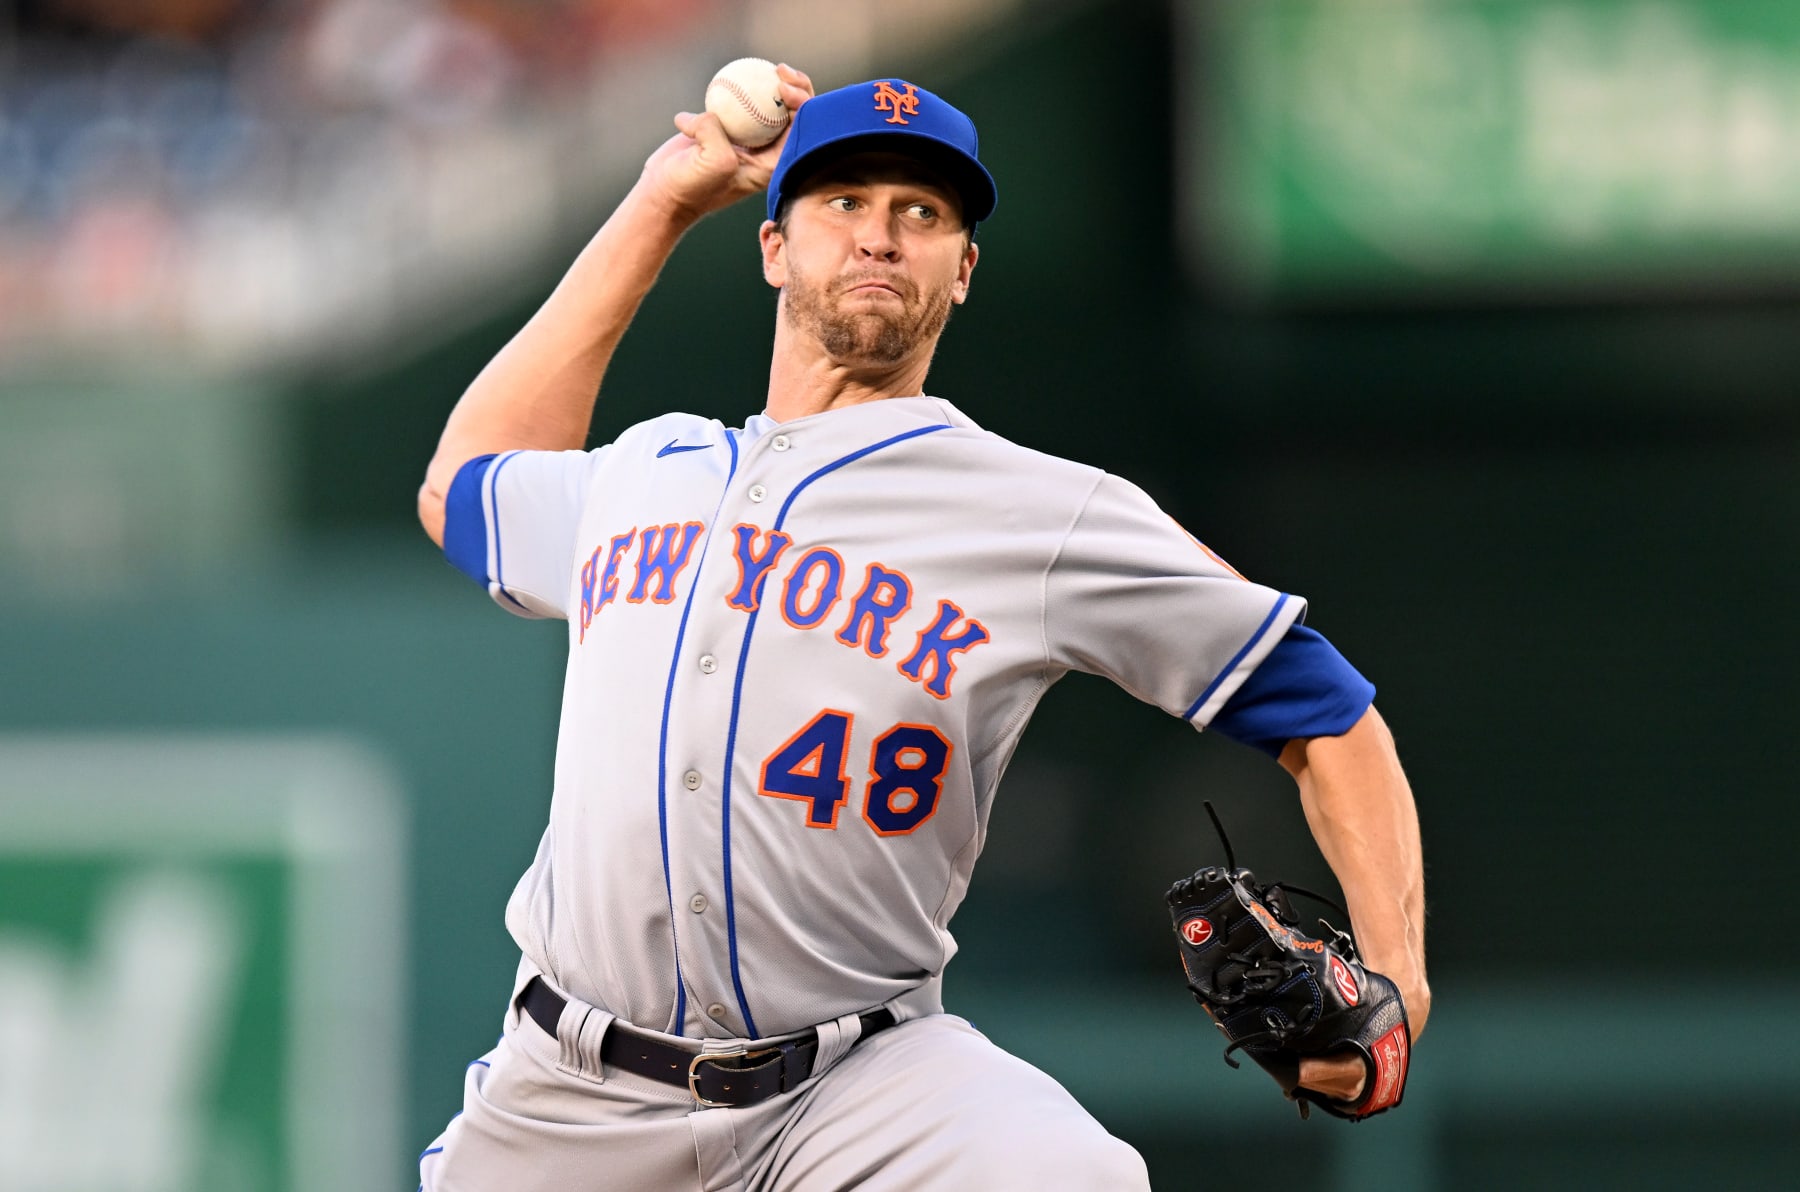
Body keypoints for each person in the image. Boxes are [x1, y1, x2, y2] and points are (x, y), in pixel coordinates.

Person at [414, 66, 1428, 1191]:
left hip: (862, 1089)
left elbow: (1331, 713)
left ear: (963, 271)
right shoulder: (650, 469)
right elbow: (462, 486)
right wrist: (659, 204)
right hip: (570, 1098)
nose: (881, 235)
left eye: (922, 212)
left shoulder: (1039, 510)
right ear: (771, 248)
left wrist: (1397, 981)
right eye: (843, 201)